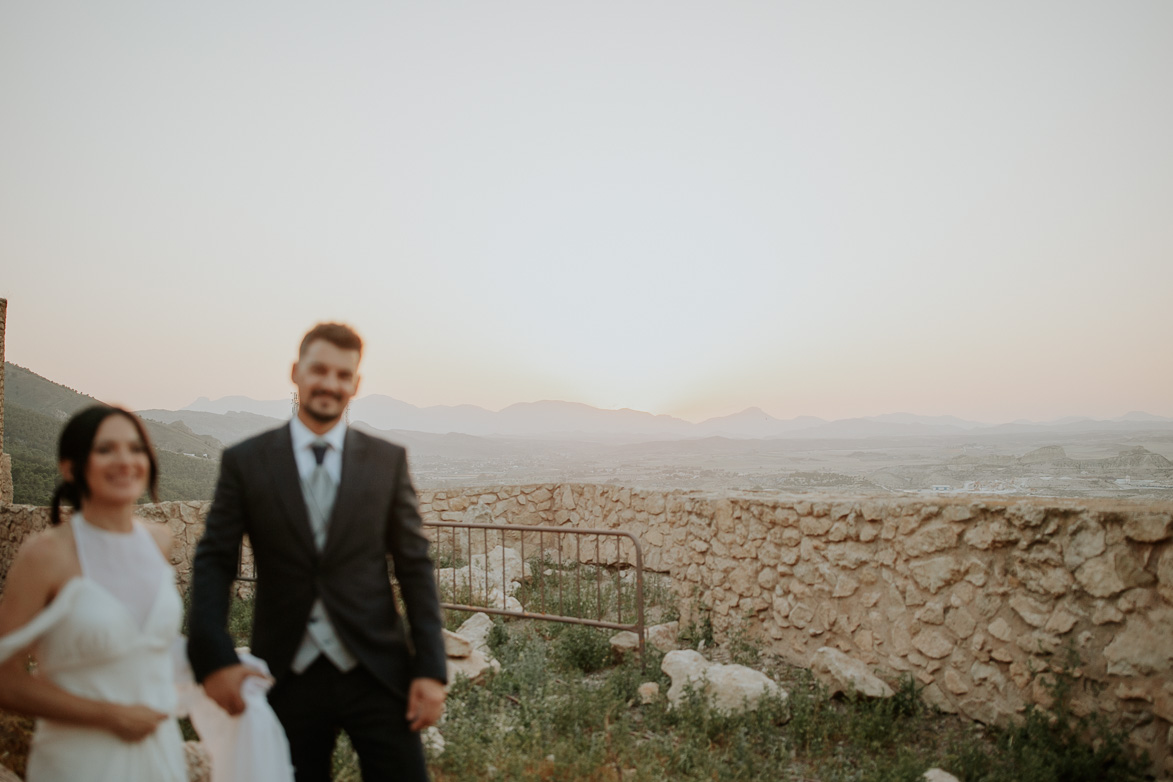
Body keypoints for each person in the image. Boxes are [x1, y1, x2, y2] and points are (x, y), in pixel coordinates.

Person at [187, 322, 448, 782]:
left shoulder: (387, 461)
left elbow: (414, 565)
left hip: (377, 671)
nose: (330, 383)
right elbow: (214, 561)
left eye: (343, 375)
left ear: (356, 384)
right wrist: (214, 655)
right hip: (287, 673)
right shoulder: (246, 462)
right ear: (296, 372)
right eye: (319, 369)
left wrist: (431, 668)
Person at [0, 405, 186, 781]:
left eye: (136, 448)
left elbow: (148, 649)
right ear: (70, 467)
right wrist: (113, 715)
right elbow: (6, 679)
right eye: (105, 450)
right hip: (80, 760)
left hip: (159, 754)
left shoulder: (160, 541)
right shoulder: (45, 555)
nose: (125, 460)